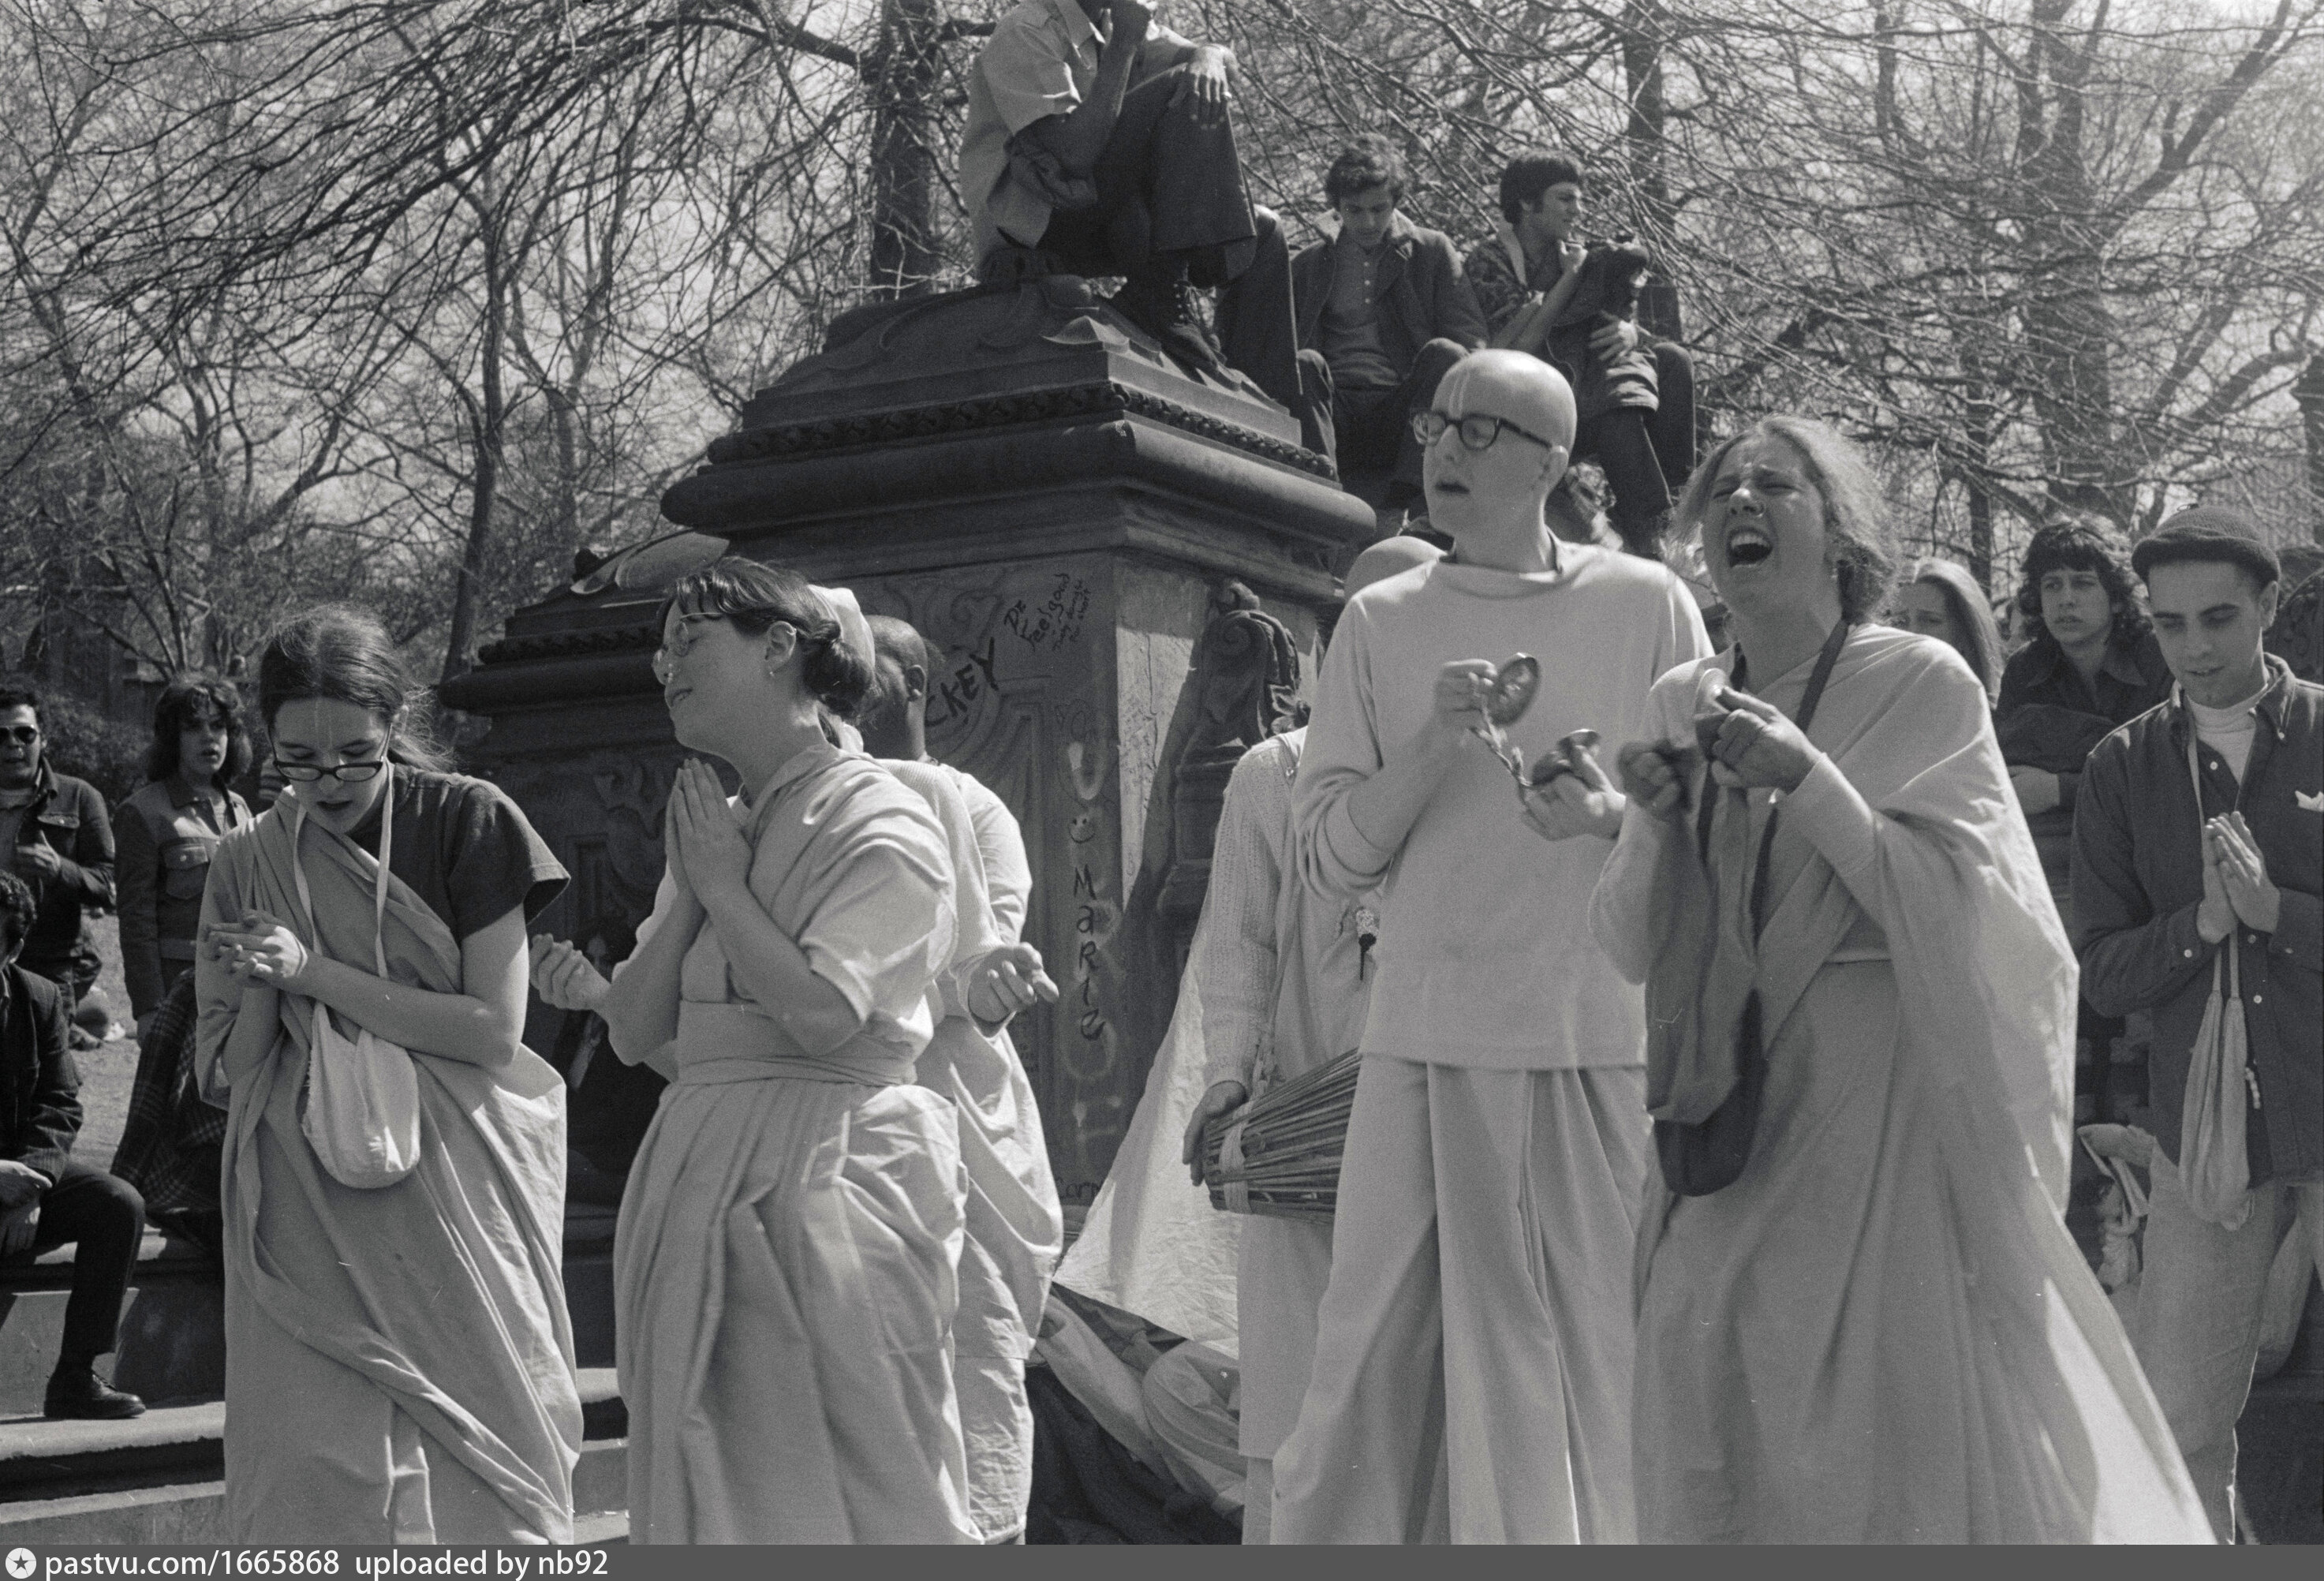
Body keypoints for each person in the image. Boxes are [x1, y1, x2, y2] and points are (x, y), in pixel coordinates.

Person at [1589, 416, 2211, 1542]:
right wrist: (1656, 824)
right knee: (1695, 1383)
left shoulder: (1920, 678)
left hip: (1872, 1104)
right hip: (1716, 1106)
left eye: (1775, 485)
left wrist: (1808, 779)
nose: (1740, 502)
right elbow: (1630, 946)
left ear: (1839, 534)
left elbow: (1988, 921)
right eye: (1722, 489)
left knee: (1864, 1428)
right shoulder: (1681, 695)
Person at [1271, 349, 1709, 1544]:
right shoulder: (1381, 619)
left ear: (1552, 462)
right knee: (1371, 1377)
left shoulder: (1646, 604)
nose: (1444, 452)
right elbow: (1327, 862)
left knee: (1602, 1364)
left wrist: (1609, 817)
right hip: (1421, 1043)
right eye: (1436, 426)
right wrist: (1432, 742)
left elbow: (1707, 818)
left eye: (1480, 430)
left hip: (1592, 1043)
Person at [599, 562, 977, 1544]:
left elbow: (820, 1016)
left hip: (832, 1170)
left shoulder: (883, 816)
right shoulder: (718, 827)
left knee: (856, 1501)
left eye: (691, 641)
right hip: (699, 1168)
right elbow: (633, 1028)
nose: (667, 669)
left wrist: (724, 890)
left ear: (778, 648)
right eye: (661, 651)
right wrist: (698, 889)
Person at [194, 606, 580, 1542]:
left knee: (491, 1471)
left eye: (355, 756)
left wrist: (312, 975)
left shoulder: (470, 817)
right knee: (309, 1473)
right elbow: (228, 1071)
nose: (329, 782)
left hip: (458, 1183)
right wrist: (264, 983)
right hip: (302, 1195)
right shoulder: (248, 857)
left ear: (394, 723)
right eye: (299, 760)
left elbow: (493, 1031)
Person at [1172, 536, 1435, 1545]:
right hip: (1304, 1144)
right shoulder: (1273, 774)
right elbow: (1238, 944)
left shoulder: (1477, 767)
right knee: (1296, 1424)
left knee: (1429, 1415)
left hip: (1441, 1133)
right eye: (1360, 623)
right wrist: (1229, 1078)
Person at [2072, 506, 2322, 1542]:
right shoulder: (2120, 766)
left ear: (2268, 605)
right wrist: (2203, 927)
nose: (2194, 648)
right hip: (2206, 1136)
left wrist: (2278, 916)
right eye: (2169, 625)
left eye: (2218, 617)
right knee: (2180, 1428)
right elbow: (2101, 973)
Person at [854, 610, 1065, 1545]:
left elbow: (979, 962)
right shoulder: (795, 802)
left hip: (954, 1109)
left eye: (872, 663)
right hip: (841, 1110)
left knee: (972, 1345)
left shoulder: (972, 809)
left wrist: (957, 987)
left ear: (916, 685)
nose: (850, 676)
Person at [962, 0, 1312, 435]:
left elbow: (1222, 62)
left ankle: (1279, 423)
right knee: (1179, 86)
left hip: (1105, 215)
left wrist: (1208, 55)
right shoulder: (1026, 30)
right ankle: (1161, 291)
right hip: (1038, 227)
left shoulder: (1117, 21)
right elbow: (1073, 156)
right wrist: (1125, 44)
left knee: (1264, 232)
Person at [1463, 151, 1695, 559]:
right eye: (1565, 199)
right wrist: (1570, 277)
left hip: (1581, 388)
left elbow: (1610, 320)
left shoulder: (1578, 254)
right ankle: (1648, 529)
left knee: (1673, 361)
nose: (1578, 210)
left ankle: (1677, 512)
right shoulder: (1490, 261)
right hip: (1530, 409)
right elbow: (1514, 352)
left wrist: (1628, 333)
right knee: (1614, 401)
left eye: (1579, 199)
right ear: (1527, 203)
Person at [0, 871, 148, 1420]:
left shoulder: (38, 999)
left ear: (12, 949)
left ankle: (75, 1377)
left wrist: (31, 1185)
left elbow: (60, 1102)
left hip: (20, 1180)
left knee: (117, 1204)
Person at [1290, 136, 1487, 513]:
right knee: (1304, 361)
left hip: (1404, 413)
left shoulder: (1431, 251)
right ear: (1336, 208)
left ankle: (1407, 495)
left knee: (1447, 353)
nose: (1368, 222)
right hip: (1334, 409)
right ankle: (1320, 488)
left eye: (1379, 209)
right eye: (1354, 210)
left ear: (1396, 203)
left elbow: (1471, 340)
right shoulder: (1308, 264)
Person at [116, 675, 255, 1037]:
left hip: (239, 990)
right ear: (172, 738)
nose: (209, 737)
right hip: (178, 990)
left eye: (218, 726)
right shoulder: (144, 812)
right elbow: (136, 921)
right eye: (193, 727)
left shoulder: (240, 809)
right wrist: (149, 1007)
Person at [0, 682, 114, 1017]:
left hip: (49, 964)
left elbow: (107, 886)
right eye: (1, 735)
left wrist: (59, 869)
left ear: (44, 739)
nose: (12, 744)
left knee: (46, 1051)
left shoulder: (79, 797)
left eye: (25, 734)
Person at [1896, 558, 2005, 705]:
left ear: (1964, 633)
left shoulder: (1993, 714)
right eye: (1900, 622)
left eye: (1931, 621)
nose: (1912, 633)